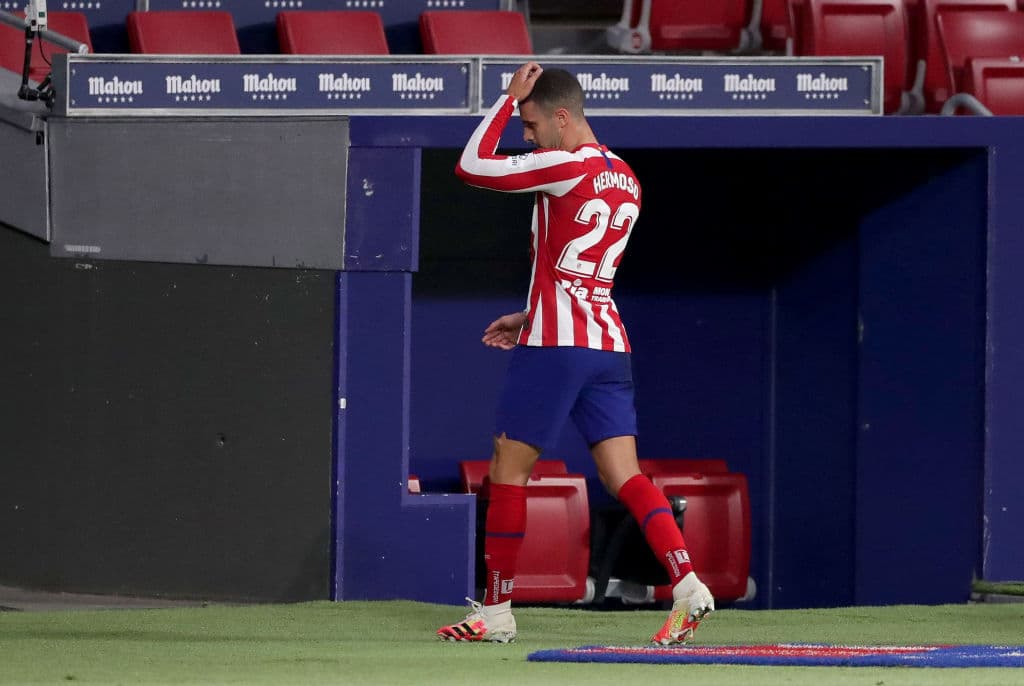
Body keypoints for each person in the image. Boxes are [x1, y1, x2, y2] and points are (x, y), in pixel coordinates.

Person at [436, 62, 714, 645]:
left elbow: (472, 166)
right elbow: (581, 273)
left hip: (556, 347)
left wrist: (506, 100)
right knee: (625, 475)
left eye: (532, 125)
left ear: (562, 117)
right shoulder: (627, 177)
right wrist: (527, 313)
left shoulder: (566, 163)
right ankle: (688, 584)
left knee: (508, 470)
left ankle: (496, 612)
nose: (528, 137)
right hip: (608, 345)